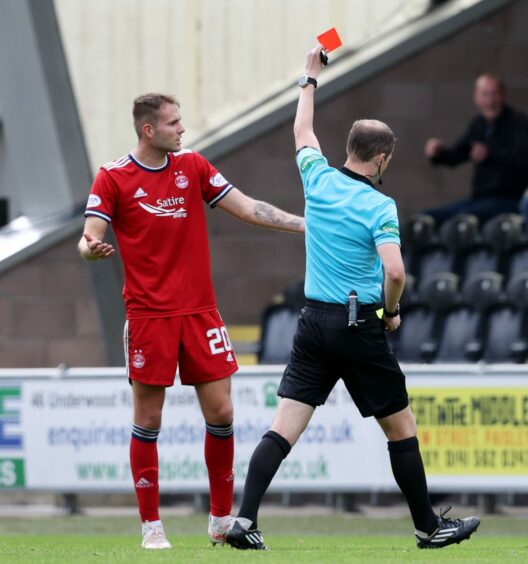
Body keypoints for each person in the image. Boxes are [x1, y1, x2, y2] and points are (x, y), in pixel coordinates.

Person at [226, 45, 480, 551]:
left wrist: (310, 77)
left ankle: (244, 520)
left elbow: (302, 131)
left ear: (347, 148)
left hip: (312, 323)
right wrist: (392, 310)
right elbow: (395, 270)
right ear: (382, 158)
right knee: (401, 426)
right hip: (357, 324)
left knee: (284, 427)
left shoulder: (315, 177)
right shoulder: (379, 205)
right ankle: (428, 527)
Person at [78, 93, 304, 550]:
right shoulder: (113, 177)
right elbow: (88, 237)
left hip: (201, 313)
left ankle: (220, 520)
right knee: (149, 419)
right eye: (174, 123)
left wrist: (304, 225)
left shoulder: (194, 167)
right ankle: (151, 526)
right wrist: (91, 249)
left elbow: (246, 206)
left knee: (221, 413)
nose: (182, 129)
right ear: (149, 130)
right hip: (149, 316)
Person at [424, 73, 528, 224]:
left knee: (463, 219)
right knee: (428, 217)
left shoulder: (517, 122)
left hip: (508, 200)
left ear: (503, 95)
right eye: (485, 94)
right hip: (479, 199)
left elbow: (523, 160)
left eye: (494, 94)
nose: (490, 100)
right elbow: (457, 155)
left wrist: (490, 155)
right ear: (476, 97)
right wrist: (438, 153)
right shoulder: (478, 124)